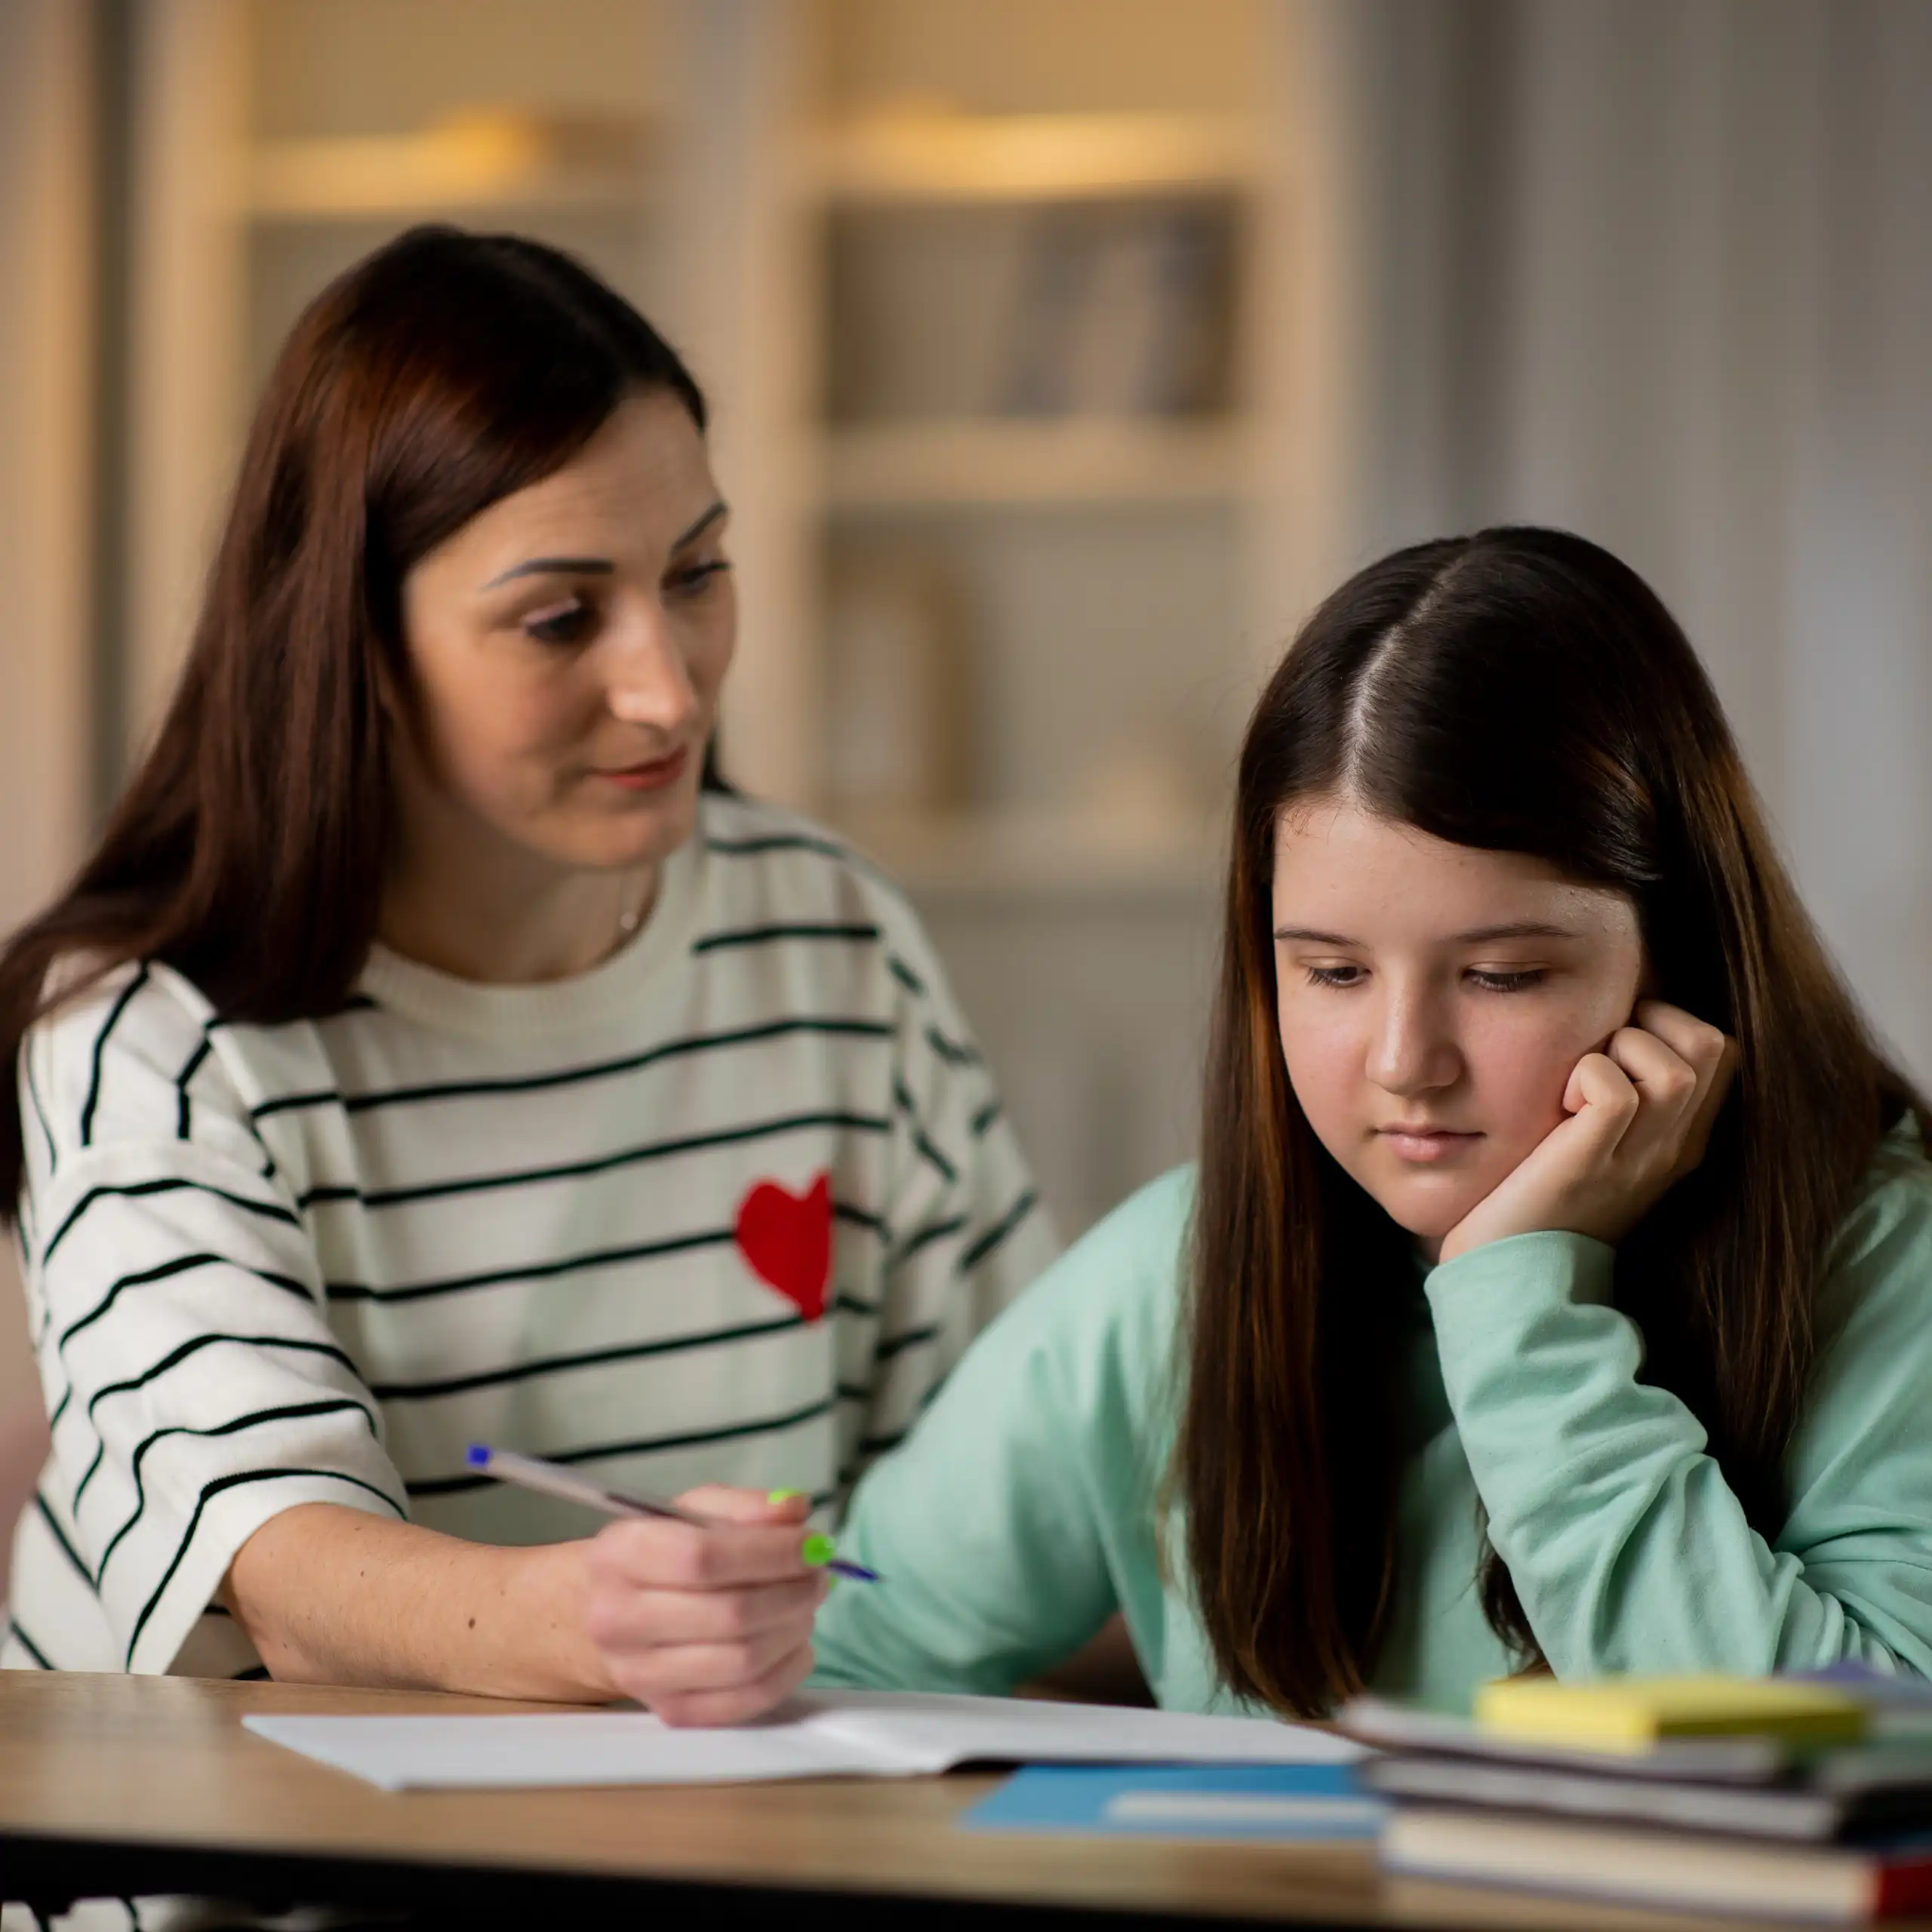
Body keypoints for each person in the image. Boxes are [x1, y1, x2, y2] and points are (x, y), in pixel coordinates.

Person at [0, 227, 1052, 1721]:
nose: (667, 686)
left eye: (696, 573)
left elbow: (1004, 1465)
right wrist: (591, 1612)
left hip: (711, 1840)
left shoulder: (831, 937)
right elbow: (279, 1569)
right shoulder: (150, 1042)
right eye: (561, 615)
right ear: (358, 640)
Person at [803, 525, 1932, 1718]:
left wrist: (1521, 1307)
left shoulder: (1882, 1262)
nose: (1404, 1065)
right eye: (1333, 975)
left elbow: (1869, 1749)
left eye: (1501, 975)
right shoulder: (1177, 1270)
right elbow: (851, 1616)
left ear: (1680, 962)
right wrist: (710, 1594)